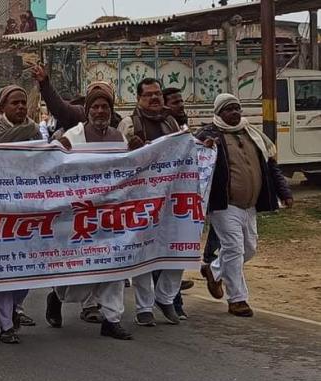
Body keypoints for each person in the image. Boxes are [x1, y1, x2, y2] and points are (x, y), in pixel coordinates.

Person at [44, 83, 132, 340]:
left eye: (105, 107)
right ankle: (57, 296)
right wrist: (57, 148)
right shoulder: (73, 136)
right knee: (75, 272)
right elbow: (52, 165)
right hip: (78, 215)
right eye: (95, 106)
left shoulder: (119, 138)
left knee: (115, 265)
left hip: (110, 214)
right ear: (87, 110)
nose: (100, 111)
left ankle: (112, 319)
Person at [195, 93, 293, 317]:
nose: (234, 113)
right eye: (229, 109)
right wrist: (205, 148)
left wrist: (284, 192)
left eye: (237, 108)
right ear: (219, 113)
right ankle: (237, 299)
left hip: (250, 205)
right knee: (234, 248)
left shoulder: (252, 134)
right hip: (224, 204)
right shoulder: (208, 134)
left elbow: (271, 166)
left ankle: (213, 269)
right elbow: (194, 159)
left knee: (249, 249)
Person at [119, 77, 185, 327]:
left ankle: (165, 297)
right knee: (143, 252)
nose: (155, 98)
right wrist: (132, 150)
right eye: (149, 95)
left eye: (157, 93)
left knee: (179, 247)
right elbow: (118, 161)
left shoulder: (171, 122)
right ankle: (144, 307)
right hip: (141, 197)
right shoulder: (129, 123)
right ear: (139, 99)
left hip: (170, 196)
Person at [0, 85, 40, 343]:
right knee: (4, 267)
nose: (20, 107)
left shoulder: (36, 132)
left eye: (23, 103)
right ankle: (6, 325)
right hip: (0, 209)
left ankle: (17, 306)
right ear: (2, 107)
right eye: (14, 103)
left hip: (29, 208)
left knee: (28, 268)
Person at [162, 86, 193, 319]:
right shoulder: (162, 127)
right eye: (175, 102)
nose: (180, 106)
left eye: (181, 101)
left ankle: (173, 300)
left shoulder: (181, 127)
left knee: (179, 249)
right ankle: (167, 301)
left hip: (180, 199)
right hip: (158, 200)